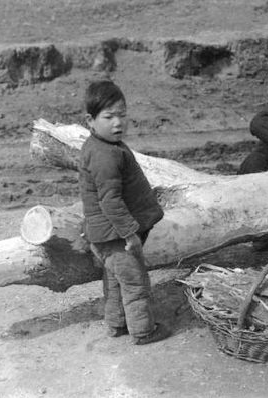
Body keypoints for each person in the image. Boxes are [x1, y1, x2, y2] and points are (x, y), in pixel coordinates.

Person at [79, 80, 170, 345]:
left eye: (122, 115)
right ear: (90, 120)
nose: (118, 123)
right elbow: (110, 202)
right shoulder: (104, 155)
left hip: (106, 236)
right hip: (117, 237)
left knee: (115, 281)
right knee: (134, 282)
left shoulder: (104, 145)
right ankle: (143, 331)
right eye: (109, 117)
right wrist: (130, 234)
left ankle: (116, 323)